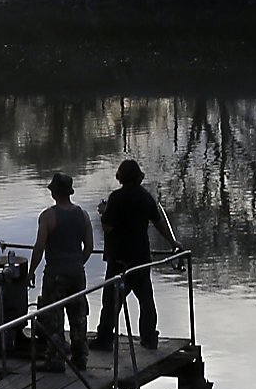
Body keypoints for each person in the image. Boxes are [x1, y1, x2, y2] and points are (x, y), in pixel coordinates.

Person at [93, 158, 179, 350]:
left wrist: (103, 212)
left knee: (111, 301)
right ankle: (149, 338)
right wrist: (172, 243)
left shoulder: (116, 198)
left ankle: (105, 339)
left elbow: (108, 227)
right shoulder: (145, 197)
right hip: (141, 257)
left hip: (119, 259)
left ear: (120, 177)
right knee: (146, 300)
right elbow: (158, 223)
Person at [28, 171, 92, 369]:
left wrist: (31, 272)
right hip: (77, 272)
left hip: (55, 273)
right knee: (78, 316)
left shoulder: (48, 216)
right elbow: (89, 247)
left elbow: (39, 247)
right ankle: (80, 358)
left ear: (54, 193)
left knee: (53, 317)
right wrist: (77, 262)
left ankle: (55, 360)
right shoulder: (83, 215)